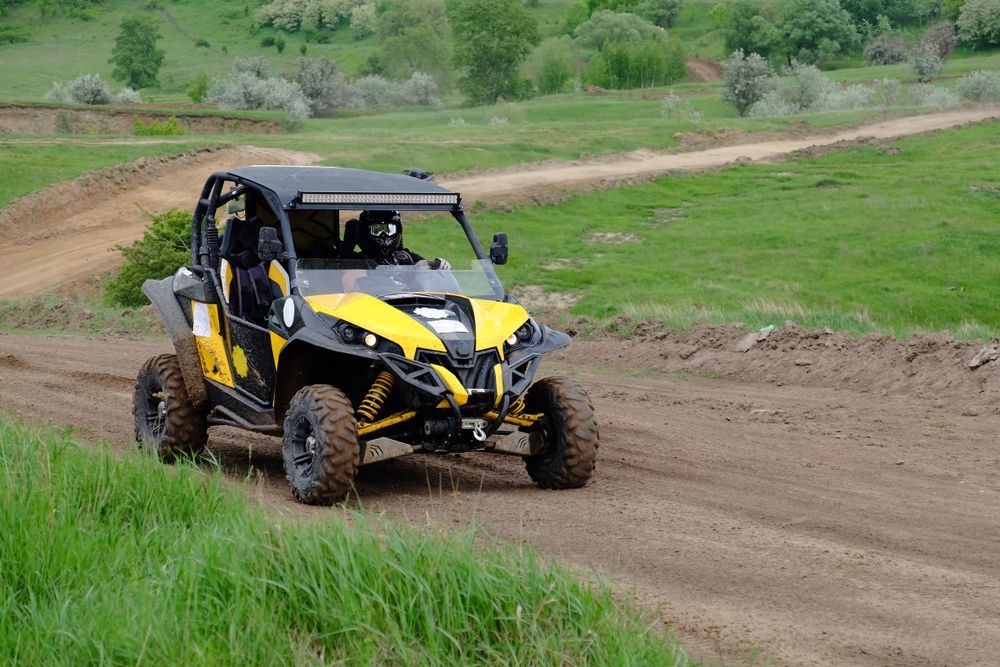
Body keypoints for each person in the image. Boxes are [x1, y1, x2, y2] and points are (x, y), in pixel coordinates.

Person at [357, 210, 450, 269]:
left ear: (398, 231)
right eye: (376, 230)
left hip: (409, 295)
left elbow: (427, 271)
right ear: (365, 232)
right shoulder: (357, 261)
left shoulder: (406, 257)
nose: (383, 235)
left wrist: (439, 266)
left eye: (389, 230)